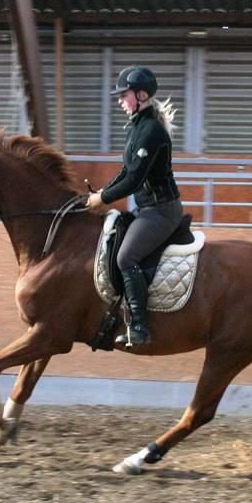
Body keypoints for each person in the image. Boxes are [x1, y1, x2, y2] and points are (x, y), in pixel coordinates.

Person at [87, 66, 182, 346]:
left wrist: (103, 199)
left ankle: (140, 326)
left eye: (123, 95)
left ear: (141, 95)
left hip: (162, 211)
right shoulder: (138, 126)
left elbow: (134, 179)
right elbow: (125, 171)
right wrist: (102, 191)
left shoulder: (151, 131)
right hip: (146, 209)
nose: (119, 101)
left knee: (125, 257)